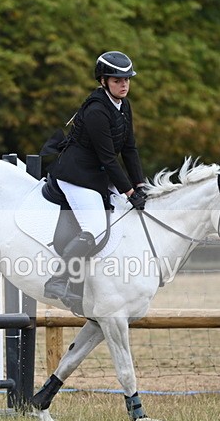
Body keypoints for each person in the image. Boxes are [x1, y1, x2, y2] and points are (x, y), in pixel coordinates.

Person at [42, 50, 148, 310]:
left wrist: (142, 185)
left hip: (97, 174)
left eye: (126, 80)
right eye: (116, 80)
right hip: (77, 176)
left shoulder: (124, 106)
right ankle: (58, 279)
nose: (123, 85)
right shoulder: (97, 110)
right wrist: (129, 193)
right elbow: (109, 158)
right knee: (96, 228)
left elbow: (130, 149)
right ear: (103, 81)